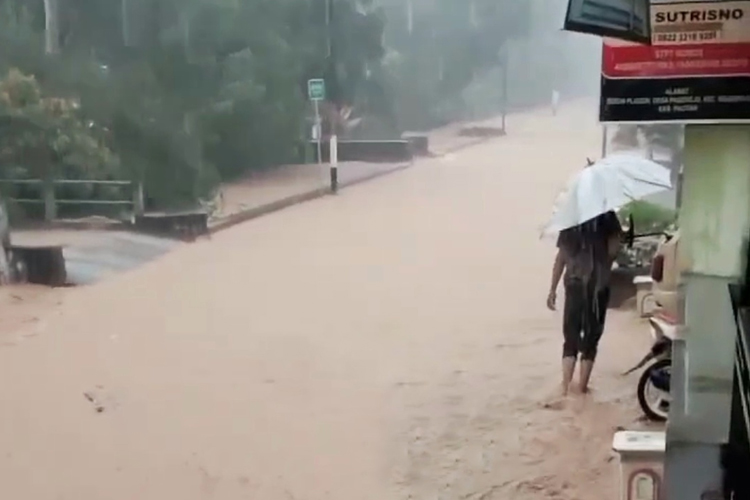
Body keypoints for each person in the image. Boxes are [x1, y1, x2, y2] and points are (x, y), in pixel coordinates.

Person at [547, 210, 623, 396]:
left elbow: (561, 258)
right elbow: (613, 251)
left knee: (570, 336)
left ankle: (565, 386)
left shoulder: (569, 219)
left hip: (573, 283)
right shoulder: (607, 216)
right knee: (591, 337)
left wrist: (552, 289)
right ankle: (581, 388)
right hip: (597, 286)